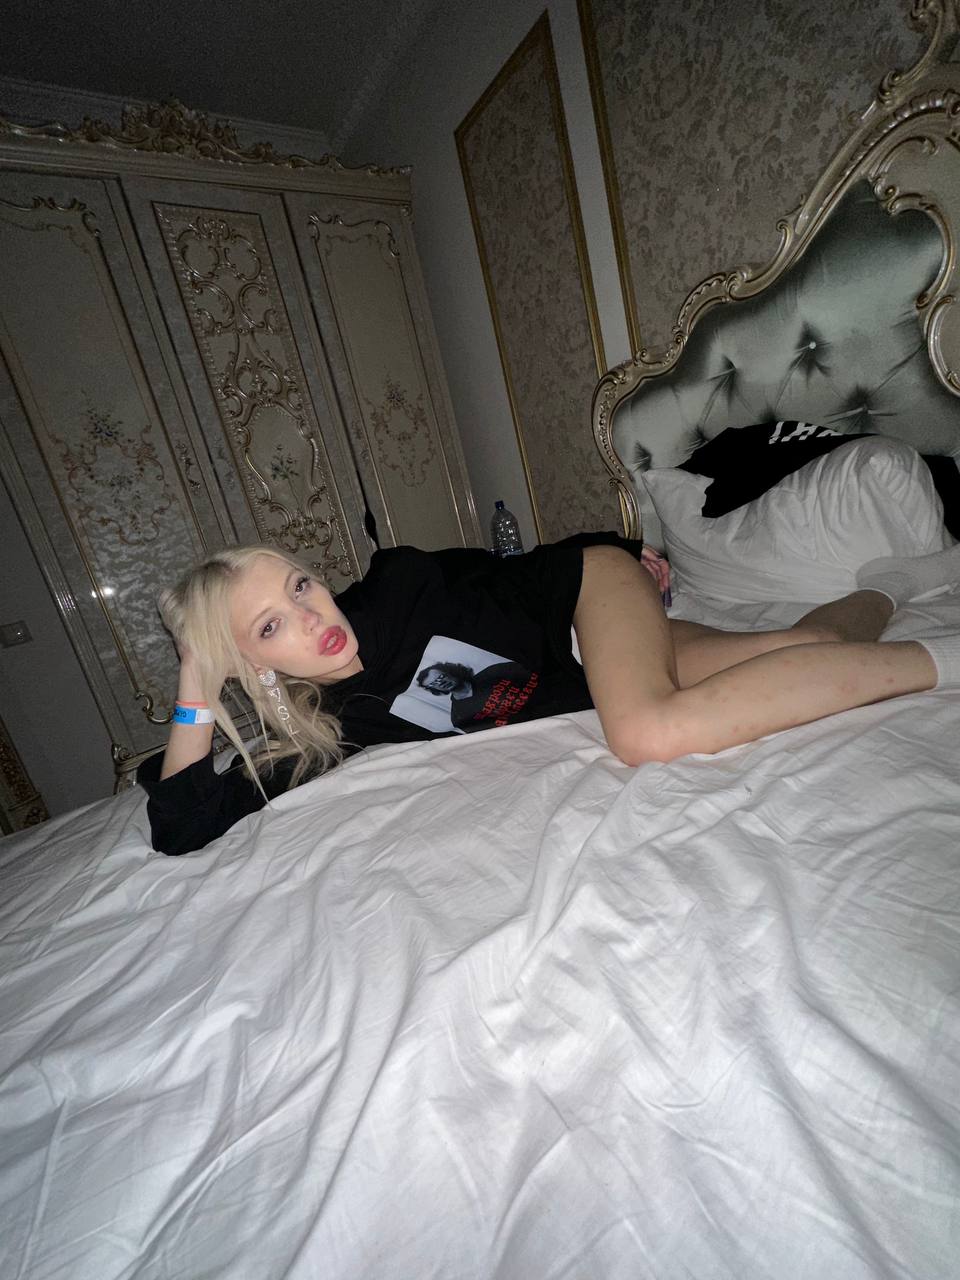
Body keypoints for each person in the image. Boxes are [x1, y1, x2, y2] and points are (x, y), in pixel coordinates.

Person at [139, 532, 960, 855]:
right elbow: (182, 825)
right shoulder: (326, 728)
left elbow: (515, 569)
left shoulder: (398, 586)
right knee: (807, 651)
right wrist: (197, 677)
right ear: (253, 664)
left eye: (301, 586)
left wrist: (624, 549)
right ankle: (890, 585)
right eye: (272, 626)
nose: (313, 618)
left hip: (586, 597)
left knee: (645, 732)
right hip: (587, 666)